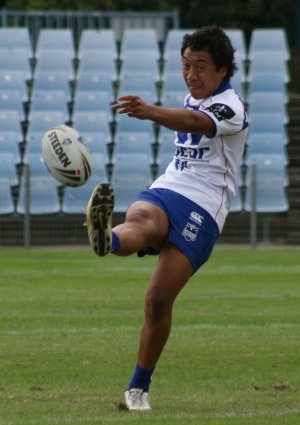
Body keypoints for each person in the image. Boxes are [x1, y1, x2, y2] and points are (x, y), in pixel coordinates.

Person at [86, 25, 248, 411]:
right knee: (143, 221)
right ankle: (105, 238)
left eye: (202, 66)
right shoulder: (191, 97)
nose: (192, 74)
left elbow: (195, 123)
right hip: (168, 187)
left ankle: (138, 388)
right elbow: (187, 118)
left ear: (223, 70)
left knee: (158, 300)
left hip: (204, 207)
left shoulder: (231, 106)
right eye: (186, 65)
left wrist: (150, 112)